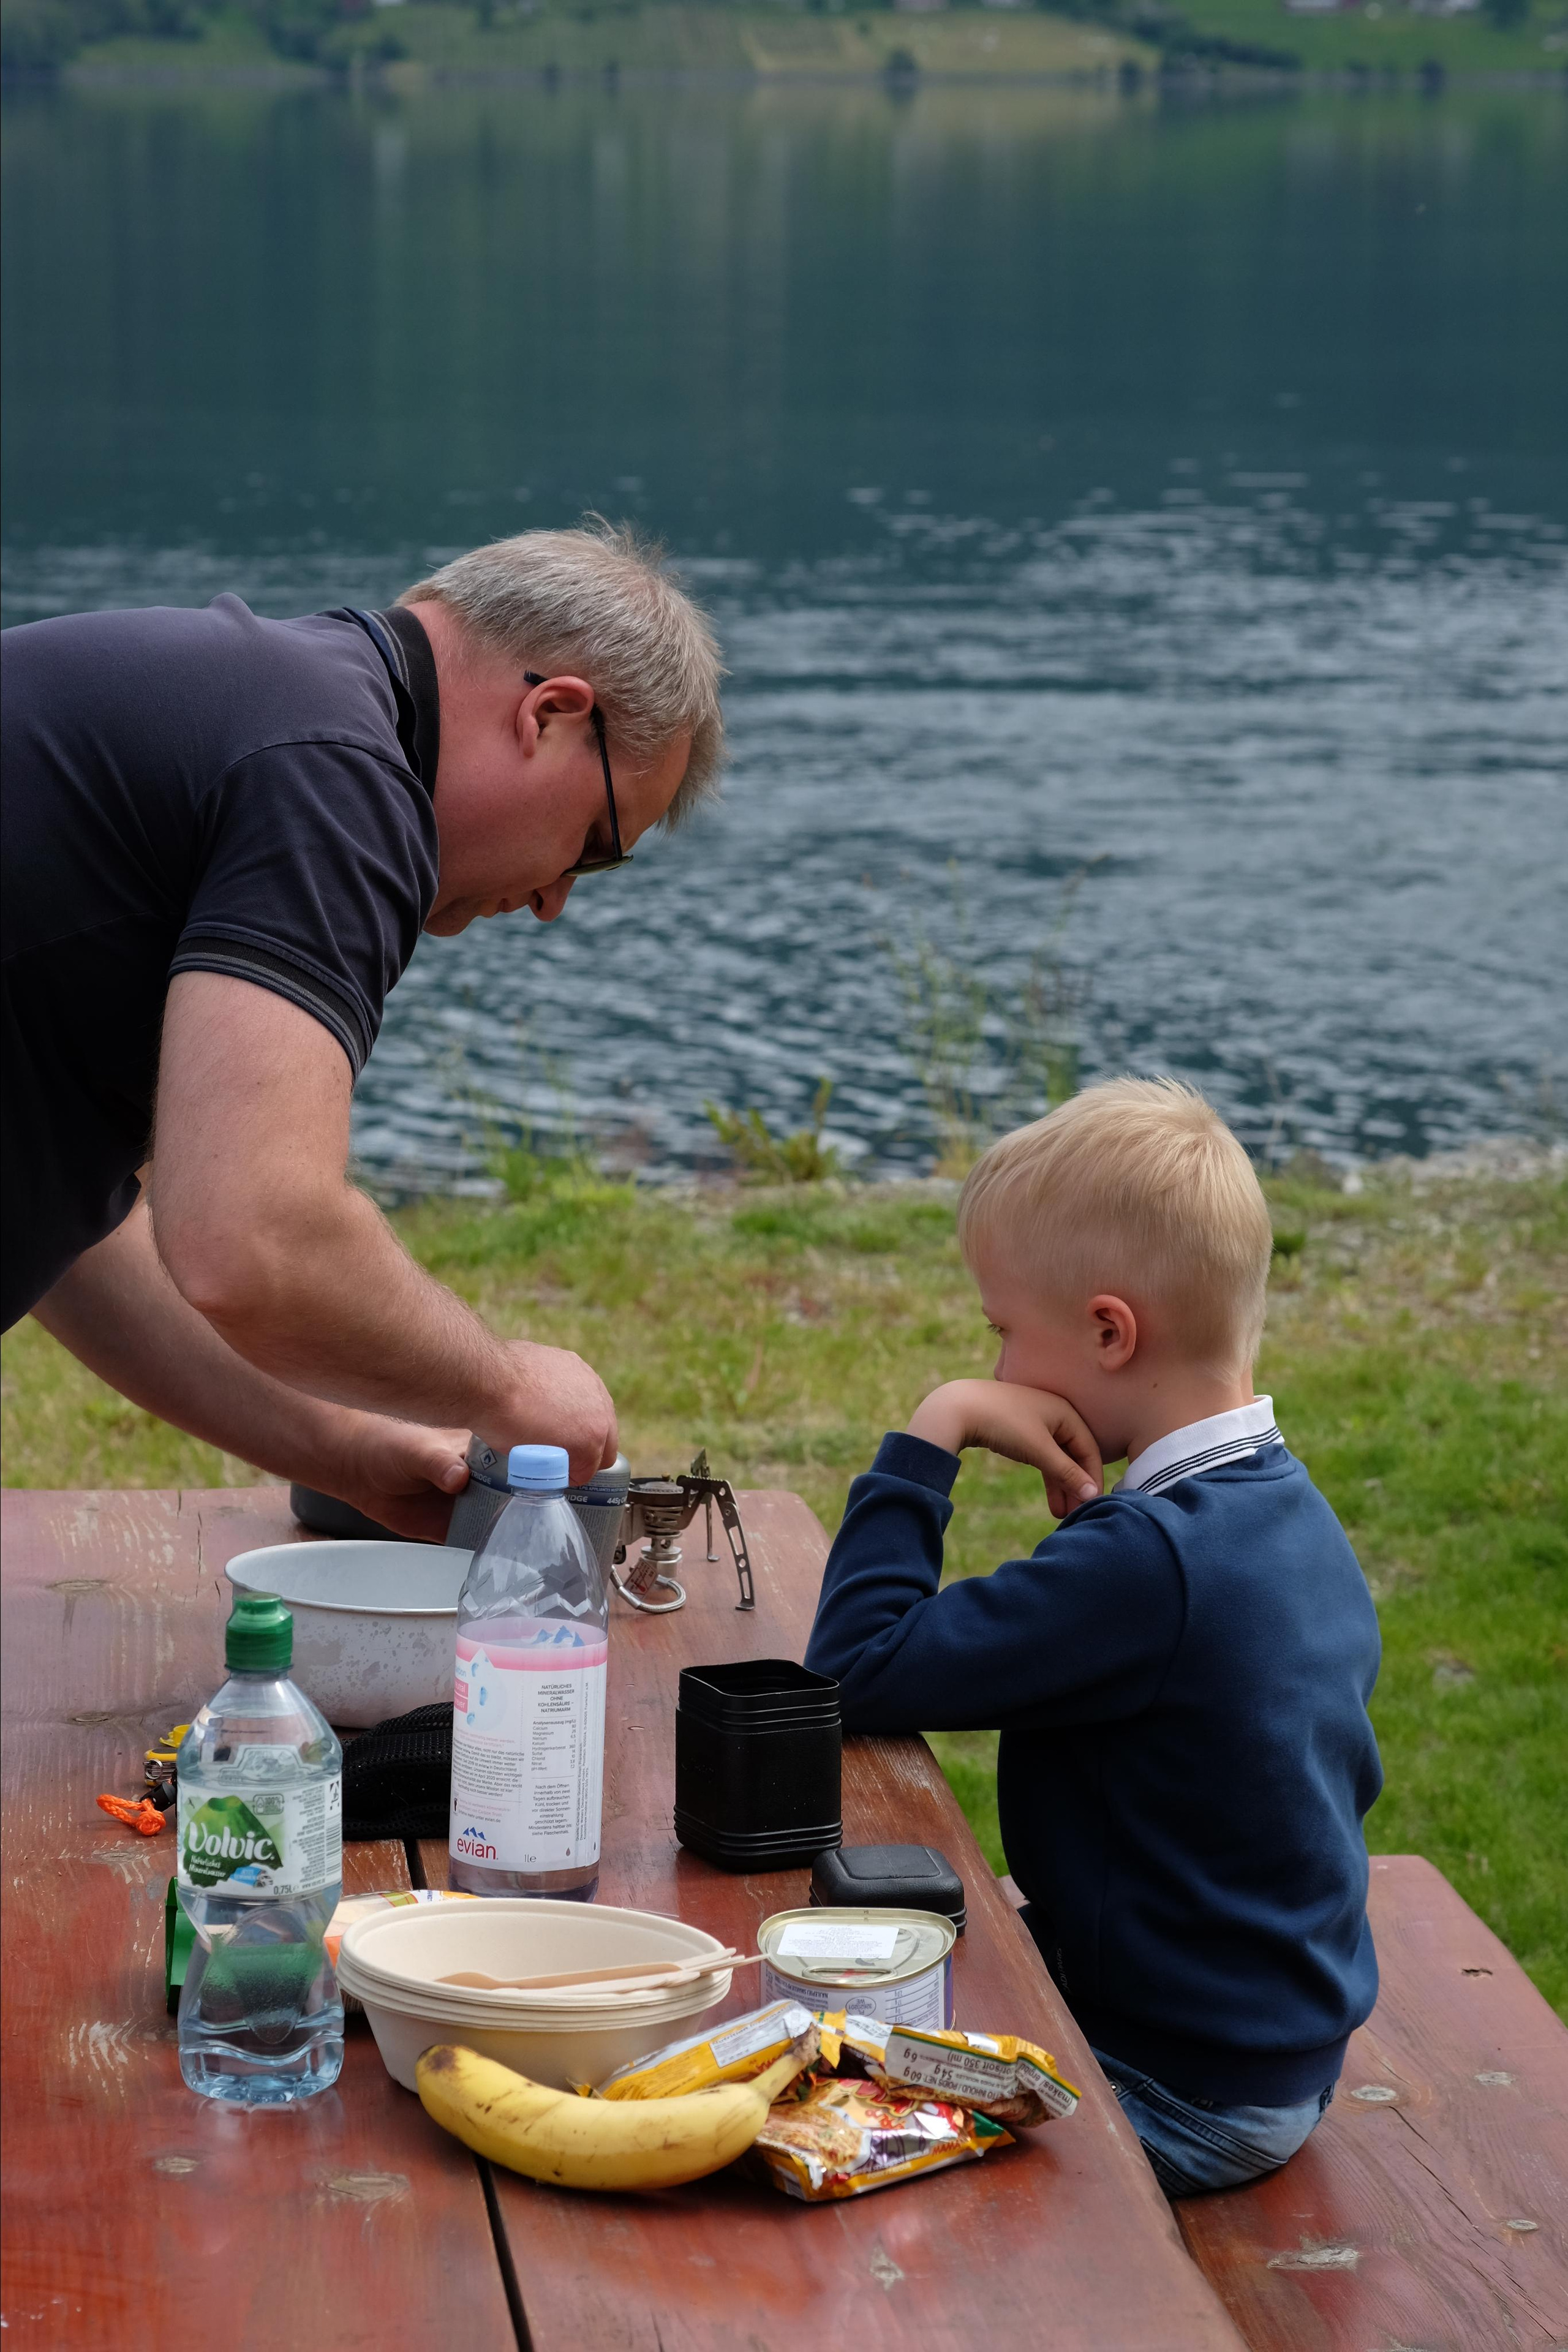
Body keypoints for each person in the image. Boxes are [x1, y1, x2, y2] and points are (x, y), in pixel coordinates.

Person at [2, 522, 723, 1534]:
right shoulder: (339, 779)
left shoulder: (277, 710)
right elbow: (251, 1238)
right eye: (594, 843)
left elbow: (77, 1226)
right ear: (552, 715)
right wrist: (508, 1387)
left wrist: (342, 1451)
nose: (555, 900)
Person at [804, 1077, 1383, 2198]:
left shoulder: (1152, 1563)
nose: (998, 1370)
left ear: (1109, 1331)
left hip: (1171, 2088)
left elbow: (853, 1667)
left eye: (1003, 1334)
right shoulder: (1282, 1510)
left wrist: (938, 1427)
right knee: (848, 1993)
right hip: (1264, 2056)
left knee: (812, 2106)